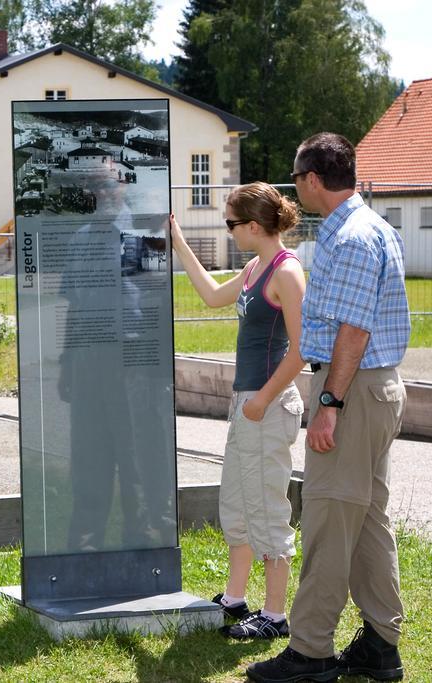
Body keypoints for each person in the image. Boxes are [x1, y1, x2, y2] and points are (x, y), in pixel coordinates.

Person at [247, 133, 410, 683]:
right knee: (365, 519)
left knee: (325, 516)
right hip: (372, 388)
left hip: (353, 388)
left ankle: (312, 651)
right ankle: (381, 645)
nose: (295, 188)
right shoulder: (372, 228)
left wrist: (330, 404)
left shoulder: (352, 239)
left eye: (295, 178)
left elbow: (353, 331)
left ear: (312, 179)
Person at [170, 182, 306, 640]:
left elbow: (301, 350)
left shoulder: (286, 272)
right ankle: (235, 597)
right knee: (236, 502)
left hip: (265, 404)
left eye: (231, 224)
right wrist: (179, 243)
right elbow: (211, 295)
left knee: (267, 506)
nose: (228, 231)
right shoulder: (253, 268)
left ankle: (274, 615)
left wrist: (263, 400)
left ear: (253, 225)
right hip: (245, 402)